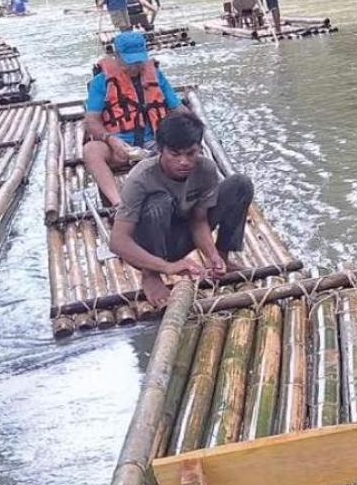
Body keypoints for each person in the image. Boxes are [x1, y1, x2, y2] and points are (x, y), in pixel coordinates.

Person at [108, 110, 254, 306]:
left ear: (199, 149)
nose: (184, 162)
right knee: (159, 203)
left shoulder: (205, 170)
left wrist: (211, 254)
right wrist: (166, 267)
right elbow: (118, 241)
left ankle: (222, 258)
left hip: (182, 234)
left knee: (240, 185)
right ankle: (150, 275)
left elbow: (199, 220)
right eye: (175, 154)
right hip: (151, 245)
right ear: (161, 150)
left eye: (191, 153)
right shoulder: (141, 177)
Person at [81, 31, 184, 206]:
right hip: (119, 146)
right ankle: (118, 203)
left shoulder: (156, 76)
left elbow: (177, 108)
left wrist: (192, 129)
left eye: (139, 61)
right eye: (130, 62)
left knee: (186, 144)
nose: (135, 67)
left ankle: (180, 196)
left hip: (156, 142)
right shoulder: (101, 82)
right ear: (117, 56)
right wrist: (111, 139)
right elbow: (91, 120)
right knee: (91, 151)